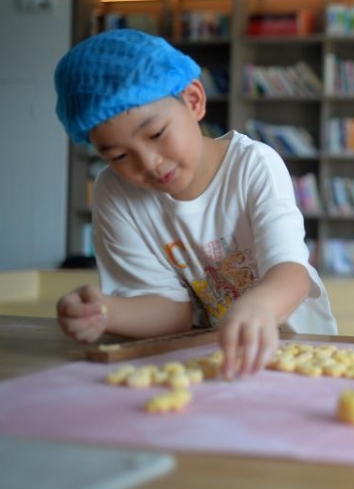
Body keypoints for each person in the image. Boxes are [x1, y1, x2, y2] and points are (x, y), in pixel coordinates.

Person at [54, 29, 337, 378]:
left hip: (299, 351)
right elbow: (172, 313)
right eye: (120, 155)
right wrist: (104, 312)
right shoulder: (115, 193)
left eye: (157, 134)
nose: (149, 163)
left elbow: (291, 272)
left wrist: (260, 307)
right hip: (206, 358)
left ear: (193, 100)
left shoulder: (253, 164)